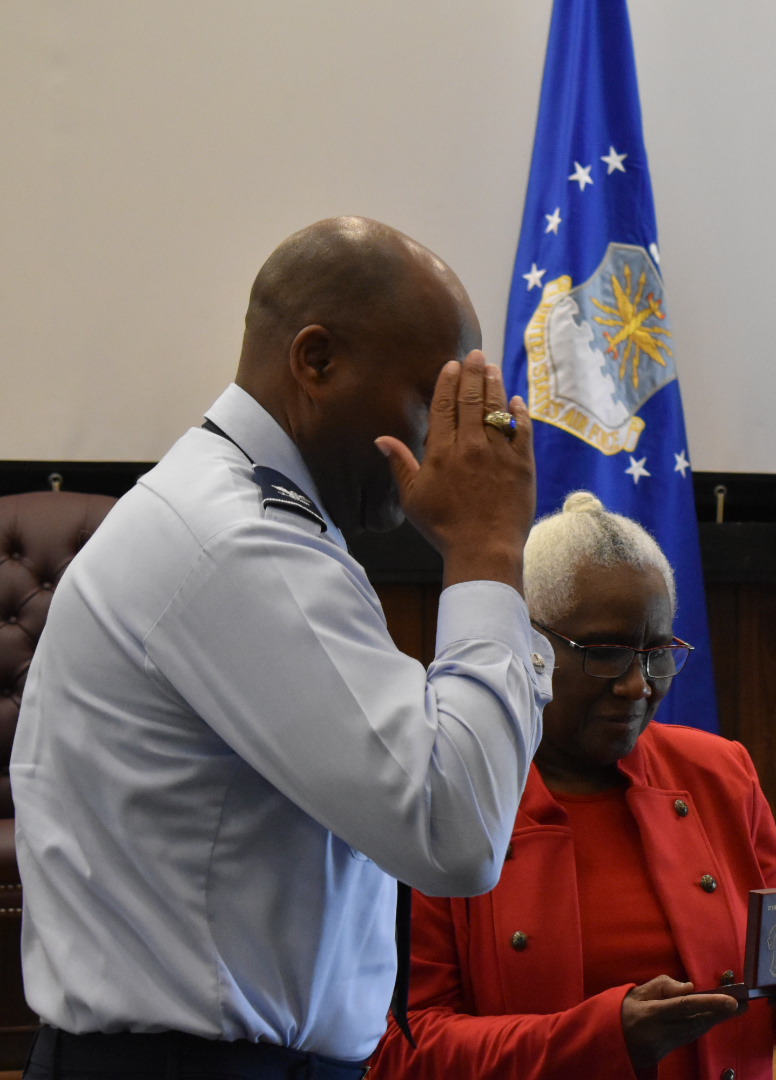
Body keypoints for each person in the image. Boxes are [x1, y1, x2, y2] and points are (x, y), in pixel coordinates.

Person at [13, 217, 551, 1079]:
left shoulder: (245, 518)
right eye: (428, 399)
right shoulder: (238, 543)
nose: (439, 444)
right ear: (317, 361)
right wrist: (487, 553)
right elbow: (457, 835)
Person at [369, 491, 776, 1080]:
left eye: (657, 652)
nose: (639, 685)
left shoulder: (718, 773)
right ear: (527, 645)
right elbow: (402, 1046)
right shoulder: (447, 786)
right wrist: (601, 1039)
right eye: (607, 655)